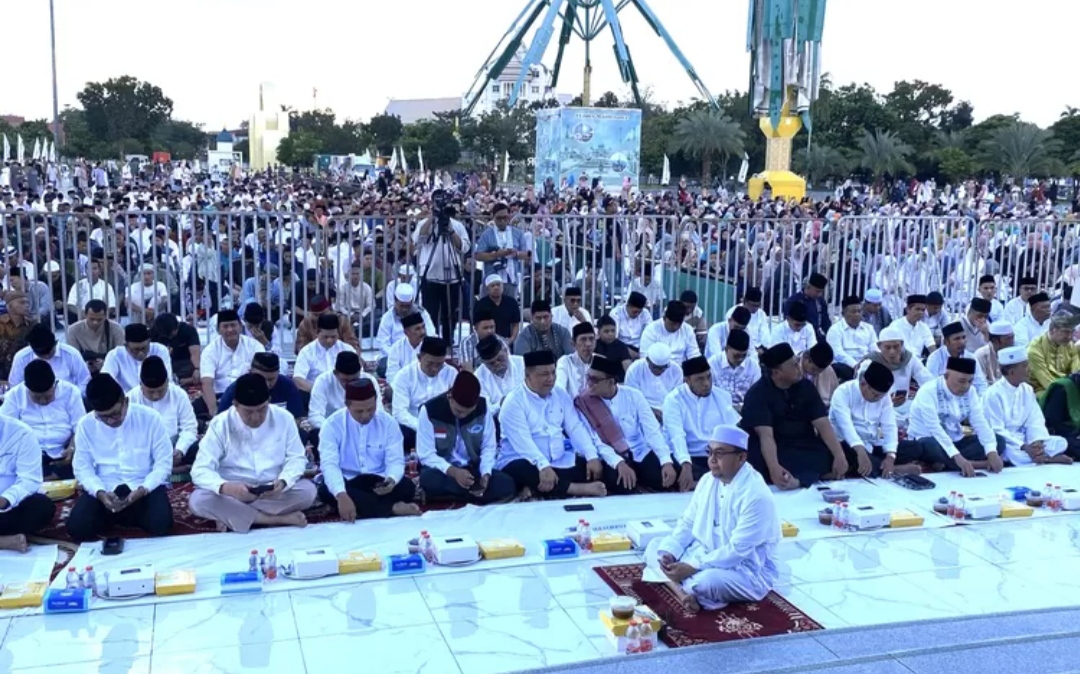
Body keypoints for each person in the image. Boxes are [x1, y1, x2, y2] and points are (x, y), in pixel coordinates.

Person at [644, 425, 779, 614]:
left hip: (745, 569)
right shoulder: (708, 481)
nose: (712, 460)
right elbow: (688, 523)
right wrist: (671, 551)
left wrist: (692, 566)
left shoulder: (756, 495)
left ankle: (676, 584)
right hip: (703, 552)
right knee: (656, 547)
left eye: (720, 454)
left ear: (741, 458)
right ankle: (682, 592)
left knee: (706, 582)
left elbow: (737, 551)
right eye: (710, 452)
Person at [190, 373, 317, 532]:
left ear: (269, 402)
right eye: (249, 412)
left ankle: (232, 516)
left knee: (308, 492)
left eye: (262, 409)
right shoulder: (220, 424)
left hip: (272, 493)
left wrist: (284, 481)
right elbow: (200, 470)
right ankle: (275, 519)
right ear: (235, 405)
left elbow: (297, 458)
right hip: (232, 493)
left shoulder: (284, 418)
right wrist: (226, 487)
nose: (256, 417)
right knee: (198, 500)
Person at [68, 373, 174, 541]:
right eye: (103, 417)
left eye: (115, 414)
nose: (111, 421)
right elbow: (82, 467)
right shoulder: (86, 424)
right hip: (105, 487)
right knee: (78, 528)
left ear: (125, 402)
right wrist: (100, 492)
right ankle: (120, 514)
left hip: (142, 485)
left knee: (161, 524)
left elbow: (163, 464)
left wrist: (142, 490)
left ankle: (117, 516)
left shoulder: (150, 418)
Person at [495, 350, 608, 498]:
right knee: (525, 472)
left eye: (553, 372)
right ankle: (578, 489)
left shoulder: (560, 393)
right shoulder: (513, 402)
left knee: (600, 470)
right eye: (544, 374)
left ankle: (536, 489)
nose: (551, 378)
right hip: (524, 459)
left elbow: (574, 426)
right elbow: (523, 441)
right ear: (527, 375)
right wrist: (542, 465)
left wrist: (591, 455)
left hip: (558, 458)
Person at [741, 343, 849, 490]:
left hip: (802, 443)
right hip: (773, 447)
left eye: (797, 362)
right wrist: (774, 467)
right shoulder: (758, 394)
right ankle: (809, 476)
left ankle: (802, 478)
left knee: (841, 453)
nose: (799, 368)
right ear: (777, 372)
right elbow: (766, 436)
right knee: (760, 462)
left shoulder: (805, 387)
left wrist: (839, 454)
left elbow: (823, 424)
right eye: (793, 365)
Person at [318, 379, 421, 519]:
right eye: (359, 411)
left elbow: (395, 460)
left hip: (379, 480)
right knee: (326, 490)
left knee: (407, 487)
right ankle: (392, 508)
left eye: (370, 409)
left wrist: (391, 480)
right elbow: (329, 465)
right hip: (348, 480)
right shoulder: (331, 425)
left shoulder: (388, 422)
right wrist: (341, 495)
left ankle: (365, 506)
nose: (366, 415)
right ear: (347, 405)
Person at [577, 355, 677, 494]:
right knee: (621, 484)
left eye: (595, 380)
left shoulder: (634, 396)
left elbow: (652, 430)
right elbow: (596, 440)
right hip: (611, 454)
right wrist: (619, 463)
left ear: (611, 381)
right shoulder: (585, 402)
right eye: (588, 377)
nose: (589, 383)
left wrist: (666, 461)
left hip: (639, 450)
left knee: (664, 477)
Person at [417, 371, 516, 505]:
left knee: (506, 484)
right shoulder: (429, 410)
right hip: (443, 470)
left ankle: (455, 495)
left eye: (467, 412)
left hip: (472, 469)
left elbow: (489, 446)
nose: (462, 415)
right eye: (458, 411)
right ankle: (473, 496)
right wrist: (454, 472)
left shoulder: (482, 408)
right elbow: (426, 454)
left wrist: (485, 473)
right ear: (450, 397)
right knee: (428, 479)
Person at [907, 357, 1005, 476]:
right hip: (930, 440)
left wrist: (991, 452)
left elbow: (980, 422)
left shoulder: (971, 392)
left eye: (970, 381)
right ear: (946, 376)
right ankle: (977, 464)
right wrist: (957, 456)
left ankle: (947, 464)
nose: (966, 386)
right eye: (962, 381)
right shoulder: (928, 391)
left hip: (956, 441)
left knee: (998, 441)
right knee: (929, 445)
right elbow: (934, 428)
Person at [829, 361, 922, 478]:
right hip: (847, 444)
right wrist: (860, 451)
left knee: (915, 448)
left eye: (881, 396)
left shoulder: (883, 397)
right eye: (875, 395)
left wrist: (890, 456)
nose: (878, 399)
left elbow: (889, 426)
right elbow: (846, 427)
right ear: (863, 384)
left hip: (872, 443)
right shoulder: (843, 392)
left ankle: (884, 466)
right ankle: (895, 469)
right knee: (855, 459)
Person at [983, 346, 1073, 466]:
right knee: (1010, 453)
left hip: (1026, 437)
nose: (1029, 369)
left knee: (1061, 442)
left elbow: (1034, 418)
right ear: (1011, 372)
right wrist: (1024, 447)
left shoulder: (1027, 389)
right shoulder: (993, 394)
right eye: (1024, 366)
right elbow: (996, 429)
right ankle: (1046, 459)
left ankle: (1038, 456)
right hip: (1008, 442)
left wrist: (1037, 441)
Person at [663, 356, 741, 491]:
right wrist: (685, 464)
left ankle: (701, 482)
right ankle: (711, 481)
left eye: (708, 377)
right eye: (700, 379)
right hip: (686, 455)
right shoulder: (674, 400)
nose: (706, 383)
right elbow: (676, 435)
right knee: (665, 470)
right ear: (687, 380)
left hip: (714, 455)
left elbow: (731, 431)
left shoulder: (722, 396)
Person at [0, 360, 84, 479]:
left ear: (54, 385)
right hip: (28, 455)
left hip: (64, 454)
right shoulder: (14, 396)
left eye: (48, 396)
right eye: (37, 398)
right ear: (27, 389)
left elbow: (81, 428)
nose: (43, 401)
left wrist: (72, 447)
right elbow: (5, 430)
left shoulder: (71, 392)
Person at [126, 356, 199, 467]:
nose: (156, 395)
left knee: (200, 448)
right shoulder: (131, 399)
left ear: (167, 382)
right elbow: (127, 435)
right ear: (141, 385)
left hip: (173, 447)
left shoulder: (178, 394)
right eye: (150, 392)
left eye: (161, 391)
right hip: (143, 452)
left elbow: (189, 427)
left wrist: (180, 450)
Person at [200, 309, 272, 416]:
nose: (230, 330)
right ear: (218, 330)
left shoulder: (255, 346)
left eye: (233, 325)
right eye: (225, 326)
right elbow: (207, 382)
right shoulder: (210, 350)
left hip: (249, 396)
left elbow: (263, 376)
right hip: (219, 396)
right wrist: (214, 411)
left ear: (240, 327)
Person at [0, 414, 56, 552]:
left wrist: (5, 499)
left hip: (9, 507)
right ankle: (3, 542)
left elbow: (29, 479)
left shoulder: (21, 433)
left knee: (41, 506)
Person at [391, 336, 457, 447]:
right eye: (430, 364)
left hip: (444, 426)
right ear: (419, 357)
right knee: (398, 432)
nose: (434, 369)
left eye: (439, 364)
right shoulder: (404, 376)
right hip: (414, 428)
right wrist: (423, 427)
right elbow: (399, 413)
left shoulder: (451, 373)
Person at [219, 352, 306, 420]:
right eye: (262, 379)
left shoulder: (288, 386)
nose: (267, 384)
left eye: (271, 379)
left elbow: (296, 418)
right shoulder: (237, 388)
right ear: (251, 371)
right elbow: (221, 419)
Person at [309, 351, 380, 432]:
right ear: (335, 373)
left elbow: (379, 411)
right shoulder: (323, 381)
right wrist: (335, 430)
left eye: (355, 380)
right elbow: (315, 415)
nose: (350, 384)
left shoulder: (369, 381)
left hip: (365, 428)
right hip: (333, 429)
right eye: (345, 380)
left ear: (360, 372)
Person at [9, 322, 91, 392]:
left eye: (50, 352)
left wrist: (72, 398)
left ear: (55, 343)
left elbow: (85, 382)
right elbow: (15, 387)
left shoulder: (71, 354)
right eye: (42, 355)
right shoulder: (22, 357)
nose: (47, 356)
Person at [474, 202, 530, 300]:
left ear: (509, 216)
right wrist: (496, 255)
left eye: (505, 218)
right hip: (491, 280)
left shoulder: (518, 233)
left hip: (511, 279)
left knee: (509, 311)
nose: (503, 221)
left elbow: (527, 254)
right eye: (499, 218)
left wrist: (515, 254)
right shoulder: (487, 234)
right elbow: (478, 255)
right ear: (493, 217)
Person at [293, 313, 357, 393]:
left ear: (338, 333)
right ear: (317, 333)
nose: (329, 340)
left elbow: (359, 375)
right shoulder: (306, 352)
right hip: (315, 394)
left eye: (333, 337)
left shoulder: (347, 349)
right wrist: (320, 392)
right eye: (325, 337)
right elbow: (298, 379)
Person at [102, 323, 173, 392]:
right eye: (136, 349)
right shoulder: (115, 355)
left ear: (149, 342)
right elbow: (105, 380)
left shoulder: (160, 350)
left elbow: (168, 379)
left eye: (144, 348)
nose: (141, 353)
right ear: (126, 346)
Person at [926, 322, 989, 395]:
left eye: (964, 337)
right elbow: (931, 385)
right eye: (957, 339)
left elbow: (980, 384)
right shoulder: (935, 358)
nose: (962, 342)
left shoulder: (971, 358)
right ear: (946, 342)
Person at [375, 283, 436, 357]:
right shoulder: (388, 317)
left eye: (408, 306)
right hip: (394, 355)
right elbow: (383, 344)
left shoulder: (422, 314)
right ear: (395, 301)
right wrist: (397, 356)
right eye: (401, 306)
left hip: (419, 356)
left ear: (412, 301)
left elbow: (431, 335)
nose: (404, 309)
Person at [624, 343, 682, 421]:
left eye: (663, 367)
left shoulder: (676, 370)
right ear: (648, 360)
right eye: (656, 367)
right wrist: (650, 411)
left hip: (668, 411)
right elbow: (630, 398)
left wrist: (667, 413)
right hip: (640, 411)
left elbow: (677, 398)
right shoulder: (635, 369)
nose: (660, 371)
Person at [65, 299, 124, 373]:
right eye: (92, 319)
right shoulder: (73, 329)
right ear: (85, 315)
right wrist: (85, 366)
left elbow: (121, 354)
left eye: (99, 319)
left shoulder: (116, 328)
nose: (95, 322)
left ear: (106, 316)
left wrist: (107, 363)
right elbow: (73, 357)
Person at [1028, 313, 1080, 396]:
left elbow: (1076, 372)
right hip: (1041, 390)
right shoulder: (1035, 349)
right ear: (1052, 330)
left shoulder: (1069, 345)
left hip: (1067, 385)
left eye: (1072, 332)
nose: (1070, 337)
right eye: (1066, 332)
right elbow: (1048, 383)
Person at [826, 295, 877, 379]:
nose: (857, 315)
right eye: (853, 312)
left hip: (867, 364)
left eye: (859, 311)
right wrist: (856, 365)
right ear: (843, 313)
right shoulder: (835, 330)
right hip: (846, 366)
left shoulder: (869, 328)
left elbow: (874, 349)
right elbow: (837, 353)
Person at [707, 329, 760, 409]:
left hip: (746, 410)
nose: (740, 359)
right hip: (717, 410)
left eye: (744, 355)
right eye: (737, 356)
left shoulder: (753, 366)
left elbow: (757, 395)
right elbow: (708, 394)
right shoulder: (712, 364)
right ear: (727, 349)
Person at [474, 334, 525, 416]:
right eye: (491, 363)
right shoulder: (478, 377)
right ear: (484, 363)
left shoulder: (523, 364)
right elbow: (483, 412)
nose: (497, 364)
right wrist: (500, 404)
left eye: (500, 359)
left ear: (505, 351)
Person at [293, 295, 360, 354]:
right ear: (311, 313)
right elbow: (300, 347)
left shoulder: (342, 321)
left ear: (330, 310)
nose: (319, 318)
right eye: (316, 315)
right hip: (315, 361)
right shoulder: (306, 324)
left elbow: (353, 344)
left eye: (322, 314)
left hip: (340, 359)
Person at [640, 301, 700, 366]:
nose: (675, 327)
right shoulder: (651, 329)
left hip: (682, 369)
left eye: (679, 324)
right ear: (664, 318)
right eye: (672, 324)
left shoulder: (688, 329)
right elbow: (645, 356)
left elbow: (694, 354)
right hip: (658, 369)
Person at [150, 312, 201, 385]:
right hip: (162, 363)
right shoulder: (154, 333)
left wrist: (197, 369)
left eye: (171, 334)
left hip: (184, 363)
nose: (169, 338)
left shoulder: (188, 330)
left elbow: (195, 353)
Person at [472, 275, 522, 342]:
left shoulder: (512, 302)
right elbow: (476, 326)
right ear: (487, 289)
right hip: (485, 341)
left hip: (506, 341)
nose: (496, 288)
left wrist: (512, 339)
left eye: (498, 285)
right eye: (492, 286)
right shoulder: (480, 304)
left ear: (503, 287)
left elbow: (516, 324)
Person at [556, 323, 597, 398]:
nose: (588, 344)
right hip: (571, 407)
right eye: (583, 339)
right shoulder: (565, 362)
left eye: (591, 339)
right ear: (573, 344)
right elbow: (559, 389)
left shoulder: (601, 360)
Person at [786, 273, 831, 338]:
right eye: (817, 291)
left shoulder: (820, 301)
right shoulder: (794, 300)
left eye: (821, 292)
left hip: (818, 336)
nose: (820, 294)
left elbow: (826, 322)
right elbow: (789, 322)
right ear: (808, 287)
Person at [726, 287, 770, 352]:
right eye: (752, 305)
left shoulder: (761, 314)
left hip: (759, 349)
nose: (755, 308)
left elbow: (765, 336)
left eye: (757, 305)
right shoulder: (733, 312)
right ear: (744, 301)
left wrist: (763, 348)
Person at [611, 291, 650, 356]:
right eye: (635, 312)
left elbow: (649, 333)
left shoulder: (645, 313)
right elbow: (614, 339)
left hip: (641, 347)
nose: (637, 314)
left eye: (639, 312)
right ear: (628, 305)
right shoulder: (616, 313)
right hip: (621, 346)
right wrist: (634, 354)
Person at [975, 321, 1014, 385]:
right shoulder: (981, 355)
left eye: (1012, 337)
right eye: (1008, 339)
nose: (1012, 342)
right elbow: (980, 384)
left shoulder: (1015, 354)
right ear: (995, 341)